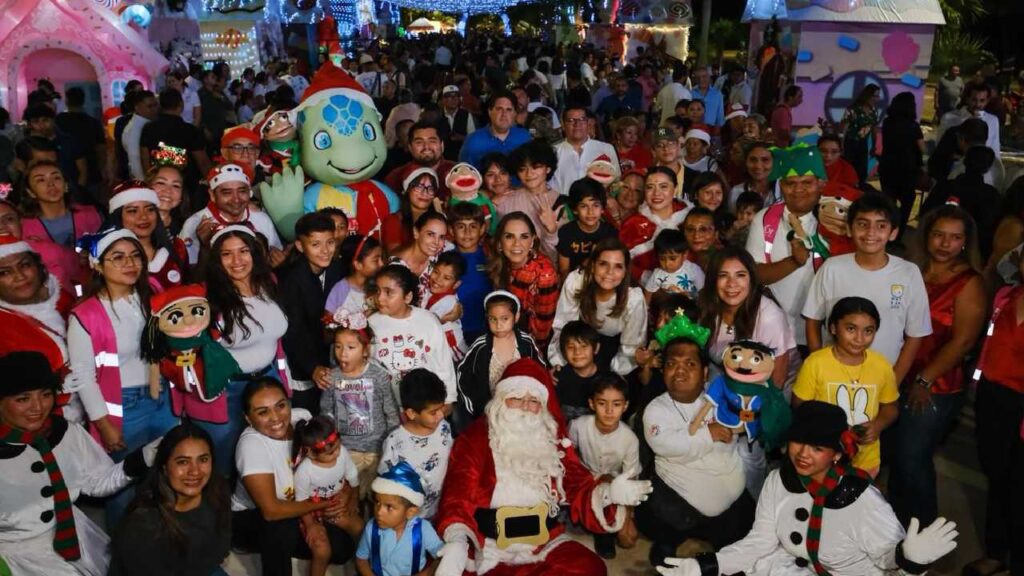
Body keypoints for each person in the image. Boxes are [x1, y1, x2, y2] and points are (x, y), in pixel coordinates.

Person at [657, 401, 959, 576]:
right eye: (799, 442)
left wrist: (910, 560)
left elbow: (888, 563)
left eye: (817, 447)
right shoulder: (779, 480)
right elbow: (760, 542)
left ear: (838, 454)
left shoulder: (862, 499)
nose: (803, 454)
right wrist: (708, 566)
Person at [433, 358, 651, 576]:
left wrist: (608, 494)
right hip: (491, 547)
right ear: (501, 399)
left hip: (542, 542)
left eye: (534, 400)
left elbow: (577, 485)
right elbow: (456, 494)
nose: (526, 406)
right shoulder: (476, 437)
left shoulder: (551, 438)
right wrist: (458, 541)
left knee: (589, 568)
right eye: (517, 398)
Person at [0, 351, 152, 576]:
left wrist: (148, 455)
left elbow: (96, 482)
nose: (38, 407)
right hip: (18, 555)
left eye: (45, 395)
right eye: (23, 399)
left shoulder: (64, 431)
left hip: (77, 536)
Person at [68, 228, 176, 523]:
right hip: (123, 409)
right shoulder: (85, 314)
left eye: (134, 256)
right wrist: (103, 424)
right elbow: (84, 376)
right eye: (118, 258)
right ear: (98, 265)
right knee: (124, 486)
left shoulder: (151, 292)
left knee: (167, 476)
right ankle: (125, 552)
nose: (129, 264)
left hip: (163, 397)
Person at [888, 206, 985, 525]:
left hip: (935, 385)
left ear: (965, 243)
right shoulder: (909, 270)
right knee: (896, 459)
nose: (945, 244)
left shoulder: (969, 283)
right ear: (926, 235)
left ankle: (922, 534)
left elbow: (963, 342)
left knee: (912, 460)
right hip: (895, 374)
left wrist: (925, 379)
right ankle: (891, 528)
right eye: (939, 235)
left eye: (955, 238)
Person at [637, 331, 755, 569]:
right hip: (679, 506)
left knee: (743, 533)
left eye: (689, 364)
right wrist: (708, 434)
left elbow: (744, 426)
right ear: (663, 371)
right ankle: (670, 542)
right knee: (651, 513)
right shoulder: (655, 409)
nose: (679, 370)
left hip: (729, 501)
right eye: (672, 364)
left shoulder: (722, 400)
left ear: (704, 373)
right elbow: (668, 445)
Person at [231, 378, 357, 575]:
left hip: (302, 506)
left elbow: (333, 458)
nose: (275, 417)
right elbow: (271, 510)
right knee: (280, 524)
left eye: (280, 406)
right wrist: (323, 504)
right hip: (252, 518)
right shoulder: (251, 446)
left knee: (342, 548)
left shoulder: (303, 420)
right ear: (248, 418)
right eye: (263, 412)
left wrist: (344, 494)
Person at [803, 194, 932, 385]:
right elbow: (812, 320)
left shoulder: (908, 273)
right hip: (833, 377)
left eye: (881, 226)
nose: (871, 233)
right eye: (862, 224)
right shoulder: (832, 267)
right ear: (849, 229)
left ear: (893, 233)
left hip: (882, 378)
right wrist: (820, 368)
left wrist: (893, 381)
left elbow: (915, 334)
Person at [204, 224, 290, 472]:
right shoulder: (207, 298)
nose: (237, 260)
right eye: (227, 254)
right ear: (217, 260)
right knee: (227, 465)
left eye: (243, 251)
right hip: (228, 391)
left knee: (275, 458)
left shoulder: (269, 283)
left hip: (270, 380)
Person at [966, 248, 1024, 576]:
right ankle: (996, 551)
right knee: (998, 477)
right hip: (994, 399)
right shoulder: (1005, 295)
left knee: (1021, 485)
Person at [793, 297, 898, 477]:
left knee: (857, 503)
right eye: (851, 329)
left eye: (868, 331)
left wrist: (878, 425)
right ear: (833, 328)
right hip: (822, 459)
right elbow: (799, 404)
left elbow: (891, 406)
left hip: (865, 460)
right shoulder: (816, 363)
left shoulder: (882, 365)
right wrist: (827, 426)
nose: (859, 338)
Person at [109, 422, 231, 576]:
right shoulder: (143, 526)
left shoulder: (218, 492)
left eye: (203, 459)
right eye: (183, 462)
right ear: (165, 468)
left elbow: (221, 547)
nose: (195, 471)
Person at [745, 144, 825, 355]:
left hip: (823, 332)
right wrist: (794, 261)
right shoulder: (765, 219)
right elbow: (754, 273)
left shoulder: (835, 219)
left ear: (820, 184)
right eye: (791, 183)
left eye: (807, 183)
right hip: (774, 331)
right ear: (781, 184)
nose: (798, 190)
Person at [549, 238, 647, 376]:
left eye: (618, 266)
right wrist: (559, 364)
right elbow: (563, 326)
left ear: (625, 271)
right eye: (603, 264)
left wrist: (612, 375)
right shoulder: (576, 281)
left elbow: (631, 347)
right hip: (578, 341)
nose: (609, 272)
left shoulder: (633, 298)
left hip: (613, 348)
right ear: (593, 265)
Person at [569, 373, 641, 559]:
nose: (609, 411)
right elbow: (569, 452)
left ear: (625, 406)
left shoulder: (629, 439)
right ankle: (601, 533)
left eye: (616, 404)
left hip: (614, 484)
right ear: (592, 404)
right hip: (586, 478)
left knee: (629, 538)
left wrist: (627, 517)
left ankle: (608, 522)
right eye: (602, 403)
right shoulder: (578, 426)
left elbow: (630, 477)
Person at [368, 264, 457, 405]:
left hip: (423, 405)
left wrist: (449, 399)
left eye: (388, 292)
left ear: (408, 297)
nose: (380, 298)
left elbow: (443, 362)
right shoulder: (371, 323)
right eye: (378, 291)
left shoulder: (428, 320)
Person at [455, 290, 544, 431]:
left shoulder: (526, 343)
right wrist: (476, 409)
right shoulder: (481, 346)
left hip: (521, 412)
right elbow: (463, 377)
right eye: (493, 319)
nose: (498, 325)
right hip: (489, 414)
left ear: (516, 317)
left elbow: (539, 370)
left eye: (504, 319)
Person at [281, 213, 343, 413]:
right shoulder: (291, 281)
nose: (325, 251)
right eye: (315, 244)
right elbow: (293, 333)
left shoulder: (337, 270)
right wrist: (312, 367)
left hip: (332, 359)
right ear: (300, 246)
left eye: (330, 242)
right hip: (303, 366)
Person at [293, 415, 364, 576]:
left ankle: (363, 565)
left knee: (360, 528)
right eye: (330, 453)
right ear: (310, 453)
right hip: (312, 509)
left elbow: (352, 476)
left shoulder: (342, 452)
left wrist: (353, 500)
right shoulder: (304, 471)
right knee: (321, 549)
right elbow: (301, 503)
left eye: (338, 447)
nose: (337, 454)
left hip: (337, 501)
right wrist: (311, 525)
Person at [378, 369, 452, 520]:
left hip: (441, 513)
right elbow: (387, 484)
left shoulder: (444, 427)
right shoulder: (395, 442)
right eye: (433, 412)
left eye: (441, 408)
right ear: (411, 413)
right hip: (409, 521)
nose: (440, 415)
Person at [19, 160, 102, 292]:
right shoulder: (24, 227)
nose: (51, 184)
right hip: (53, 294)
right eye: (41, 180)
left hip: (94, 287)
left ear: (66, 185)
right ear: (31, 192)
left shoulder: (89, 214)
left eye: (56, 177)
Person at [179, 163, 283, 265]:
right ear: (212, 195)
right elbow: (190, 274)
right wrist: (205, 247)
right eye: (227, 193)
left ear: (250, 192)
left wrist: (278, 262)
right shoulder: (195, 223)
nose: (236, 199)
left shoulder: (261, 218)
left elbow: (274, 257)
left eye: (242, 191)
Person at [356, 461, 445, 576]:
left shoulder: (423, 529)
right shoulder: (371, 527)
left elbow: (442, 556)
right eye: (377, 502)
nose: (379, 511)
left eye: (389, 507)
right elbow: (361, 558)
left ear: (410, 512)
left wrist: (426, 573)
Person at [488, 212, 559, 347]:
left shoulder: (544, 274)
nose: (516, 244)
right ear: (499, 243)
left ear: (532, 241)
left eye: (524, 237)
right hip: (504, 332)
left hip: (530, 343)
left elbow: (543, 326)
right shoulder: (501, 263)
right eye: (509, 236)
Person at [107, 181, 188, 293]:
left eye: (150, 209)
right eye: (133, 211)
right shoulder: (110, 259)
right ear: (118, 217)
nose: (143, 217)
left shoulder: (178, 249)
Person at [620, 166, 690, 284]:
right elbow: (621, 262)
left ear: (676, 189)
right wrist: (648, 280)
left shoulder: (690, 219)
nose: (656, 193)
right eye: (650, 187)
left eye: (663, 187)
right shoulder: (632, 224)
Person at [497, 140, 561, 262]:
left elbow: (561, 256)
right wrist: (492, 204)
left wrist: (551, 231)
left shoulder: (562, 202)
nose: (529, 173)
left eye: (535, 167)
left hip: (549, 273)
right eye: (522, 169)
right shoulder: (506, 200)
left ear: (548, 168)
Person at [878, 92, 926, 233]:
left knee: (888, 203)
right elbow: (922, 148)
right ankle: (898, 234)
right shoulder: (913, 127)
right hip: (907, 170)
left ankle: (885, 230)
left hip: (887, 167)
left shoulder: (888, 123)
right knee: (906, 203)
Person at [448, 202, 493, 344]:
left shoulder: (491, 258)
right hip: (454, 329)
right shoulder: (445, 258)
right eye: (461, 227)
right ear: (451, 230)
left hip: (486, 328)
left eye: (473, 226)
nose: (467, 232)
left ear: (482, 229)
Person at [556, 177, 618, 276]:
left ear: (602, 208)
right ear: (575, 209)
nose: (590, 212)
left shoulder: (610, 232)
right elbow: (564, 270)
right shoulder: (566, 232)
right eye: (584, 206)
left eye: (596, 205)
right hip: (573, 282)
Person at [384, 121, 455, 202]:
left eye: (432, 141)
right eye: (419, 142)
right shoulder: (395, 177)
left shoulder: (458, 172)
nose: (426, 147)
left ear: (442, 145)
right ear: (410, 147)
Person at [459, 92, 532, 170]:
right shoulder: (473, 141)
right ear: (490, 112)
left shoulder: (524, 137)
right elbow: (463, 174)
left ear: (514, 113)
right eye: (499, 109)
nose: (504, 114)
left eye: (509, 110)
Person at [324, 234, 383, 328]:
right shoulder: (340, 290)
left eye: (381, 258)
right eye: (376, 260)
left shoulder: (381, 286)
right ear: (358, 264)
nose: (381, 264)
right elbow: (328, 326)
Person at [381, 167, 440, 254]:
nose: (424, 193)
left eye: (430, 189)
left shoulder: (440, 219)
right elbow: (394, 255)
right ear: (407, 190)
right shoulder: (394, 220)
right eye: (419, 187)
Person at [388, 211, 448, 297]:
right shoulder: (396, 266)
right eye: (430, 234)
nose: (436, 242)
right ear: (416, 232)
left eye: (441, 237)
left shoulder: (438, 255)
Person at [423, 251, 468, 360]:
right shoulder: (429, 291)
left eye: (446, 278)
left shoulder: (449, 301)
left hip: (453, 352)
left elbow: (429, 322)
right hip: (439, 348)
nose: (438, 279)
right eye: (436, 272)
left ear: (456, 284)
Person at [644, 228, 705, 300]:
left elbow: (703, 292)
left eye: (673, 258)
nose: (667, 264)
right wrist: (645, 309)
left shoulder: (694, 270)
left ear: (685, 255)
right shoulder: (657, 273)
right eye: (662, 259)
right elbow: (648, 291)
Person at [841, 85, 882, 184]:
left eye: (878, 96)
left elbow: (874, 129)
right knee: (849, 168)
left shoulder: (874, 111)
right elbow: (844, 129)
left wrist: (874, 146)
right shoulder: (852, 110)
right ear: (867, 95)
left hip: (863, 144)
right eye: (874, 96)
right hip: (850, 143)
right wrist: (841, 146)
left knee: (862, 170)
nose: (876, 99)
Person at [727, 141, 779, 210]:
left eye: (765, 160)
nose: (758, 166)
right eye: (753, 160)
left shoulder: (783, 191)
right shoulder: (736, 191)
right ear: (745, 162)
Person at [147, 163, 189, 236]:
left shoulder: (186, 227)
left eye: (176, 186)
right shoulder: (134, 225)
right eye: (161, 183)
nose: (168, 191)